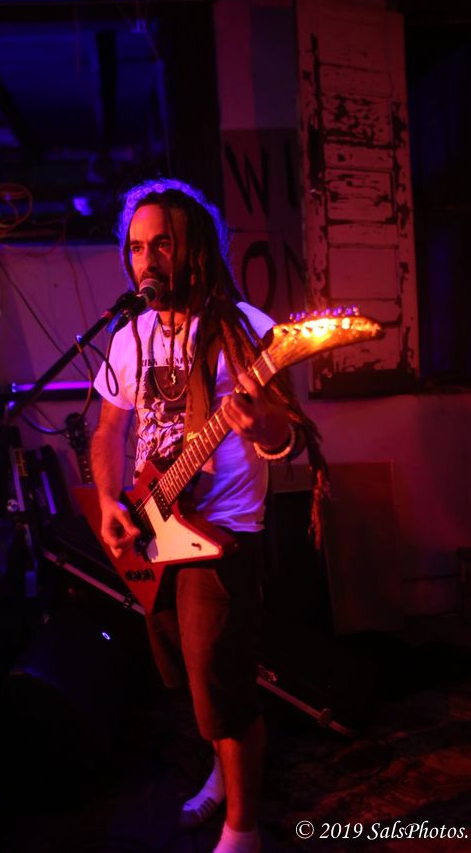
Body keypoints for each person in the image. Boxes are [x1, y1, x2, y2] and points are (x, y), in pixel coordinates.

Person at [91, 178, 325, 853]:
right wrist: (108, 501)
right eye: (137, 247)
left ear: (194, 246)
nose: (147, 259)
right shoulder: (130, 337)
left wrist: (261, 423)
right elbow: (109, 430)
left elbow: (287, 441)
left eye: (162, 243)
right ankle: (224, 777)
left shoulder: (245, 328)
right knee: (191, 685)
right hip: (151, 527)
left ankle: (243, 830)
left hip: (221, 536)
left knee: (224, 688)